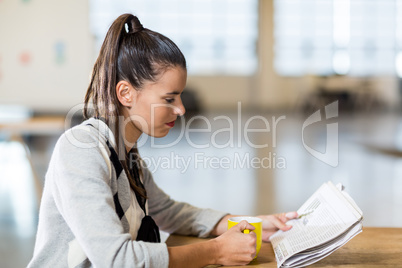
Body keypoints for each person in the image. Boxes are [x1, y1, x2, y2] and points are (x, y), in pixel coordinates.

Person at [28, 13, 297, 268]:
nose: (180, 109)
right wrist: (217, 250)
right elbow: (118, 260)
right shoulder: (81, 150)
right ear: (126, 94)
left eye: (180, 97)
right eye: (169, 99)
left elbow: (168, 212)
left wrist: (245, 223)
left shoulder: (126, 153)